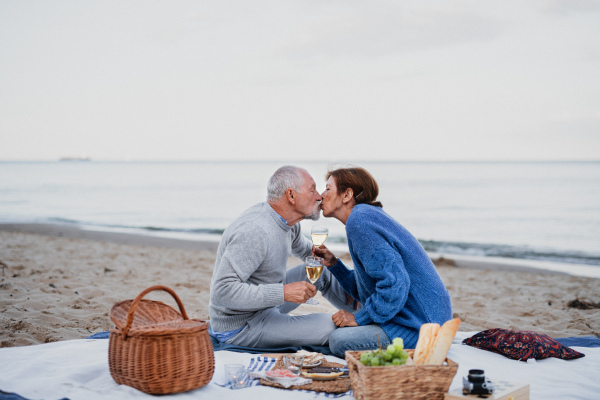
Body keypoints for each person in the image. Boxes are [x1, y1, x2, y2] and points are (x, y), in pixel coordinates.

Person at [209, 165, 356, 349]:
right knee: (333, 327)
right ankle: (364, 326)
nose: (320, 196)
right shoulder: (255, 231)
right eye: (312, 190)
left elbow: (305, 251)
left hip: (269, 303)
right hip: (242, 326)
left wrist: (331, 263)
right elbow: (221, 293)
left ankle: (362, 313)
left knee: (318, 267)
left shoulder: (286, 222)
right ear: (291, 196)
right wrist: (284, 292)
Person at [314, 166, 452, 357]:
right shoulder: (364, 217)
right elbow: (367, 290)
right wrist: (334, 265)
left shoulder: (360, 221)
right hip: (422, 321)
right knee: (338, 335)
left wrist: (359, 318)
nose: (322, 195)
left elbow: (396, 284)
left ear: (347, 195)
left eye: (328, 189)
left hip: (424, 329)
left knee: (338, 341)